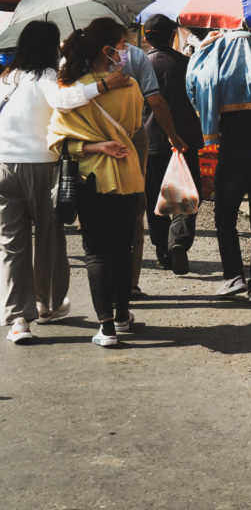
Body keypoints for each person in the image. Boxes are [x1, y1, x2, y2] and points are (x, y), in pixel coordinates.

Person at [1, 21, 131, 344]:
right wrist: (103, 87)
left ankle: (20, 321)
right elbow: (65, 101)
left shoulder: (7, 78)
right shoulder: (46, 77)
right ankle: (48, 303)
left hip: (3, 165)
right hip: (41, 166)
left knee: (12, 245)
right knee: (49, 236)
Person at [48, 18, 145, 348]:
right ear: (107, 50)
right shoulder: (130, 87)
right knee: (122, 247)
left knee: (95, 251)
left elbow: (58, 141)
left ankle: (106, 328)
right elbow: (132, 126)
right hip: (127, 172)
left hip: (89, 176)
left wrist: (90, 145)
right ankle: (122, 315)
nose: (125, 51)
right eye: (121, 45)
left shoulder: (68, 87)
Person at [186, 29, 251, 303]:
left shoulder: (217, 79)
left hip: (233, 161)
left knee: (225, 219)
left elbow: (192, 86)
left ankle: (233, 276)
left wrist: (202, 50)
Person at [115, 30, 187, 297]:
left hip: (121, 141)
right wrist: (175, 135)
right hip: (147, 140)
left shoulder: (80, 65)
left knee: (144, 197)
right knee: (170, 195)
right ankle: (175, 243)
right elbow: (156, 99)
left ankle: (161, 251)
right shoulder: (143, 58)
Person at [142, 14, 204, 277]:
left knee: (155, 197)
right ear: (173, 36)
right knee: (186, 194)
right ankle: (178, 240)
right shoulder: (188, 64)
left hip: (149, 142)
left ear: (146, 38)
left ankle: (162, 252)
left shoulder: (140, 66)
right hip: (184, 141)